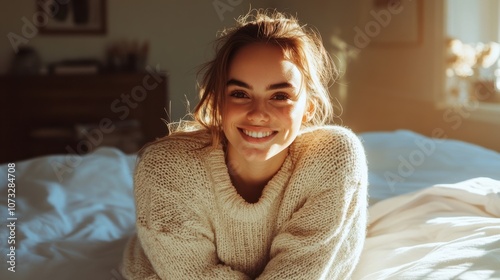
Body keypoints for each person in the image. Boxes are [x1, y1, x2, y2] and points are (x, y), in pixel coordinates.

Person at [120, 9, 368, 280]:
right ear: (217, 102)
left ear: (308, 109)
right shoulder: (166, 168)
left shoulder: (334, 157)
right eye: (240, 93)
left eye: (280, 96)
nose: (258, 113)